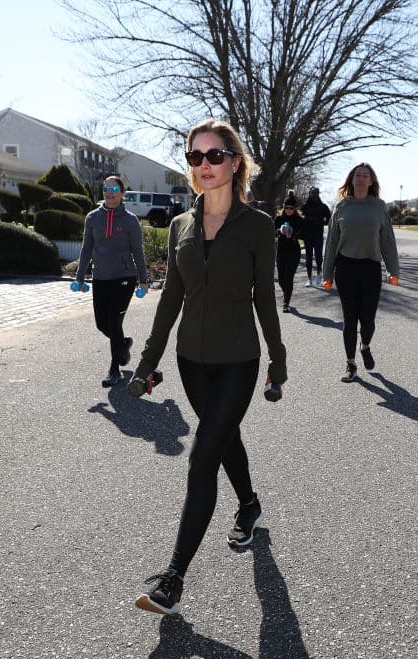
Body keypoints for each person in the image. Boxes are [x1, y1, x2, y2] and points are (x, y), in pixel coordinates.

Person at [130, 119, 287, 615]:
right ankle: (249, 505)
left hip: (239, 360)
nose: (204, 166)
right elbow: (170, 299)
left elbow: (265, 298)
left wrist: (277, 363)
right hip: (191, 362)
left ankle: (173, 579)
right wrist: (147, 363)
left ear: (235, 161)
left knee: (203, 455)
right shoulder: (181, 226)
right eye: (195, 157)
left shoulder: (258, 227)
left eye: (214, 156)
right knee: (225, 438)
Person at [321, 163, 400, 383]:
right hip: (345, 268)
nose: (361, 178)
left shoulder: (379, 207)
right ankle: (351, 364)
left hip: (371, 268)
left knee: (368, 319)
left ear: (371, 181)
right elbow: (332, 243)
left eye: (366, 175)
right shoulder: (341, 206)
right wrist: (327, 274)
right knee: (349, 318)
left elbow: (387, 240)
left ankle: (365, 346)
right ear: (351, 179)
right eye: (358, 175)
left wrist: (393, 270)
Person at [74, 175, 149, 387]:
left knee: (114, 321)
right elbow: (87, 248)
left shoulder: (130, 220)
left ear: (122, 193)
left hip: (124, 278)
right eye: (106, 187)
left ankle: (114, 369)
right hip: (100, 277)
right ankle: (123, 344)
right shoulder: (92, 218)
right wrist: (80, 276)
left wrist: (143, 279)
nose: (109, 191)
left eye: (114, 188)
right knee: (102, 323)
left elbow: (137, 251)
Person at [275, 195, 305, 312]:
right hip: (281, 251)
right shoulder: (278, 219)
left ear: (295, 209)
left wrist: (293, 233)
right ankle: (286, 293)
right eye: (286, 207)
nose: (288, 210)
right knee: (282, 279)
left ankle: (286, 302)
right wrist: (279, 231)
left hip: (294, 251)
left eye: (291, 208)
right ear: (283, 207)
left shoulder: (299, 220)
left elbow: (304, 235)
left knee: (288, 277)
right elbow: (272, 233)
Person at [301, 187, 331, 287]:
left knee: (318, 256)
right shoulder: (305, 206)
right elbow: (302, 218)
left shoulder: (323, 207)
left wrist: (322, 222)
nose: (313, 195)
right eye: (312, 193)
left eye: (315, 193)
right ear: (309, 194)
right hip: (308, 235)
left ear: (318, 194)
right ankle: (309, 278)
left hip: (318, 234)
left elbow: (329, 218)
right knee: (309, 257)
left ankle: (319, 273)